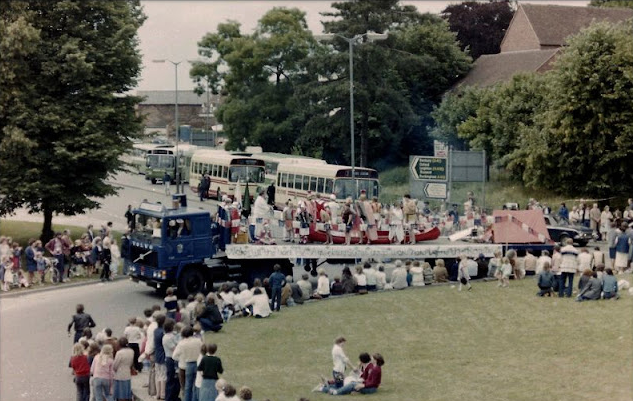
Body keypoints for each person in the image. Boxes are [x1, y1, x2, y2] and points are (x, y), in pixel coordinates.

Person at [172, 326, 202, 401]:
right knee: (195, 384)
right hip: (197, 364)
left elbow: (174, 356)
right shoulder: (198, 341)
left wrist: (181, 359)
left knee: (186, 386)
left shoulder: (181, 343)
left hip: (184, 365)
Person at [162, 319, 180, 401]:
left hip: (175, 359)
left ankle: (175, 396)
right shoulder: (167, 338)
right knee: (170, 379)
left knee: (176, 380)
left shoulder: (173, 335)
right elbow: (175, 348)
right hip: (170, 358)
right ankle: (169, 398)